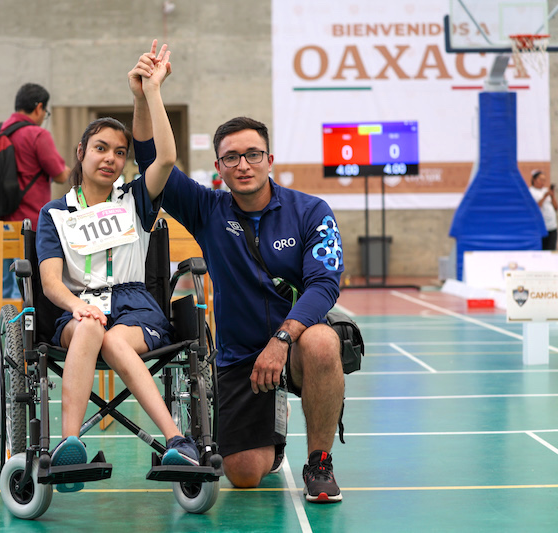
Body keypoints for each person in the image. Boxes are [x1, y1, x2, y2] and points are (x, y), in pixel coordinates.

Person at [133, 107, 345, 501]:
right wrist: (146, 96)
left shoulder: (311, 211)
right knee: (244, 474)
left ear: (270, 160)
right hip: (241, 357)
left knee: (322, 342)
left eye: (253, 154)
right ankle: (273, 436)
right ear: (218, 166)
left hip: (294, 344)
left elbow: (324, 284)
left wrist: (282, 339)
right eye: (232, 157)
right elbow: (151, 158)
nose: (243, 165)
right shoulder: (206, 210)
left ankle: (319, 462)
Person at [35, 41, 198, 491]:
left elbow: (164, 157)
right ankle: (69, 447)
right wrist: (78, 306)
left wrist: (149, 92)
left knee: (115, 341)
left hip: (134, 305)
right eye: (101, 148)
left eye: (120, 152)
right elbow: (51, 282)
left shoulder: (135, 200)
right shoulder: (55, 214)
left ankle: (177, 440)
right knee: (91, 328)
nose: (110, 158)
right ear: (81, 153)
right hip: (77, 307)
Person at [0, 82, 71, 301]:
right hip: (28, 223)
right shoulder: (37, 135)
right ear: (38, 108)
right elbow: (60, 174)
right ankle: (21, 333)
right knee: (24, 285)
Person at [529, 169, 557, 251]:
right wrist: (544, 197)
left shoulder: (545, 190)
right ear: (534, 180)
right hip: (541, 227)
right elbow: (535, 208)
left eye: (544, 180)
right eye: (540, 180)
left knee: (551, 250)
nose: (543, 182)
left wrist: (552, 196)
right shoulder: (531, 191)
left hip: (552, 226)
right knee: (542, 251)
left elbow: (556, 207)